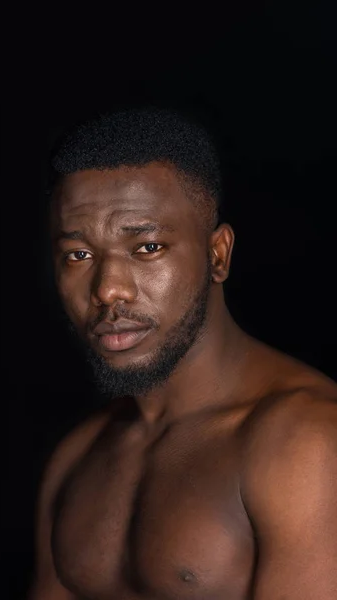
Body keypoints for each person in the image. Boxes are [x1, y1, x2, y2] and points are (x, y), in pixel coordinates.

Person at [28, 108, 337, 600]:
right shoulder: (76, 457)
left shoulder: (307, 445)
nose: (108, 290)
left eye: (147, 247)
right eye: (79, 255)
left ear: (218, 254)